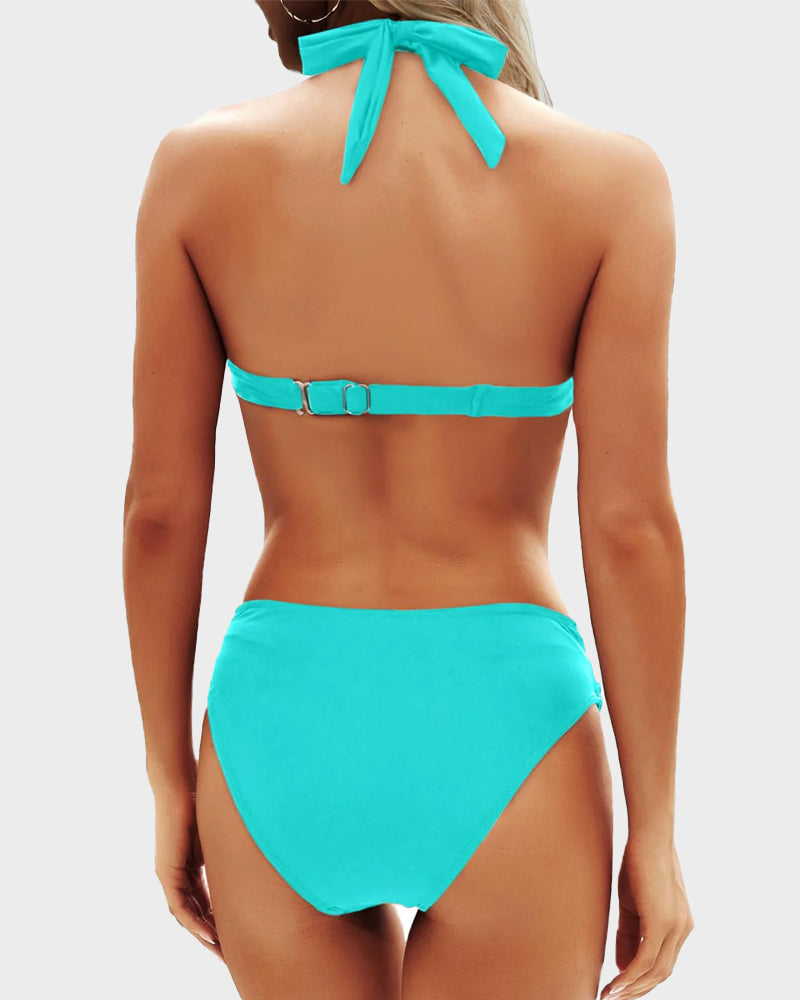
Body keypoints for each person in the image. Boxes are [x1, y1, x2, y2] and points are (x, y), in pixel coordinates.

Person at [122, 1, 693, 998]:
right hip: (510, 725)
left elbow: (159, 511)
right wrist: (655, 829)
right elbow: (628, 528)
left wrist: (170, 781)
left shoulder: (198, 164)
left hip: (281, 724)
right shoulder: (611, 179)